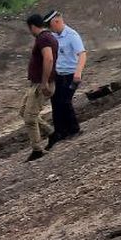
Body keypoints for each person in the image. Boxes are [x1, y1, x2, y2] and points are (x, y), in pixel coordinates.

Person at [43, 9, 86, 149]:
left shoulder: (72, 35)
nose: (50, 28)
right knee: (55, 102)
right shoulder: (54, 36)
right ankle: (60, 131)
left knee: (65, 101)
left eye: (50, 25)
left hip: (71, 74)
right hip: (58, 74)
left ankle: (74, 129)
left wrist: (78, 74)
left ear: (56, 21)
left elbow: (82, 54)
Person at [20, 13, 57, 161]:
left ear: (33, 26)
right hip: (35, 84)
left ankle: (37, 150)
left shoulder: (44, 38)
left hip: (40, 85)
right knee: (23, 111)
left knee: (30, 118)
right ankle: (51, 132)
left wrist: (44, 82)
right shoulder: (47, 37)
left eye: (30, 29)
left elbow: (48, 59)